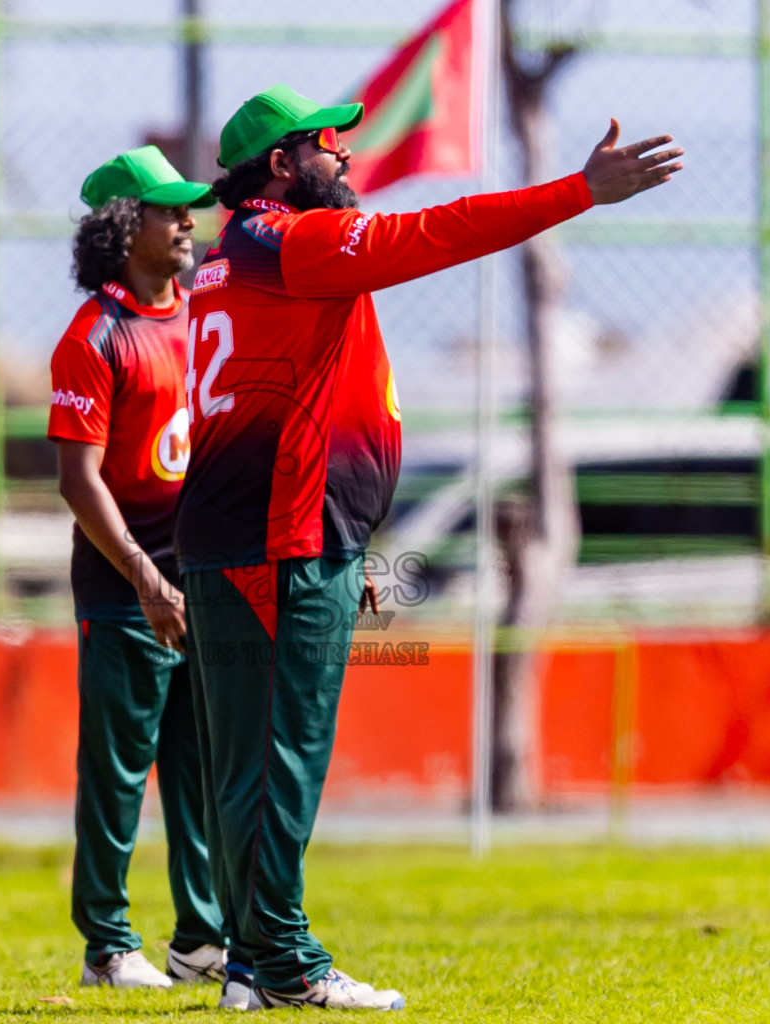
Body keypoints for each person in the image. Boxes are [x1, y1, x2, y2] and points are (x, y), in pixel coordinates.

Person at [176, 85, 682, 1010]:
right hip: (284, 540)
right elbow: (441, 231)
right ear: (281, 165)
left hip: (241, 534)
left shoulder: (224, 259)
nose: (346, 157)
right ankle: (285, 962)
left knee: (244, 762)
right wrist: (577, 190)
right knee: (286, 754)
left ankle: (249, 960)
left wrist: (348, 537)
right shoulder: (293, 243)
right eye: (328, 144)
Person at [47, 145, 228, 991]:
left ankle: (200, 942)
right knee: (118, 774)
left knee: (203, 770)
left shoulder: (208, 317)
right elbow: (77, 479)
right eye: (168, 209)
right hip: (125, 592)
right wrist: (144, 579)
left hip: (206, 582)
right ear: (125, 228)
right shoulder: (94, 337)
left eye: (189, 207)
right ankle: (107, 948)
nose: (188, 221)